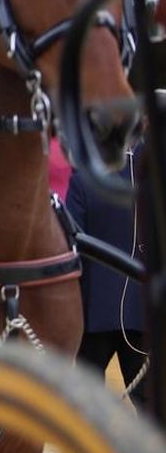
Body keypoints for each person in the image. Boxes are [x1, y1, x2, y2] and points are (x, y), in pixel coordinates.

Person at [67, 147, 150, 406]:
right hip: (141, 312)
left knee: (87, 410)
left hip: (92, 312)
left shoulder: (82, 180)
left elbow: (73, 246)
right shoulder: (150, 181)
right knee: (151, 412)